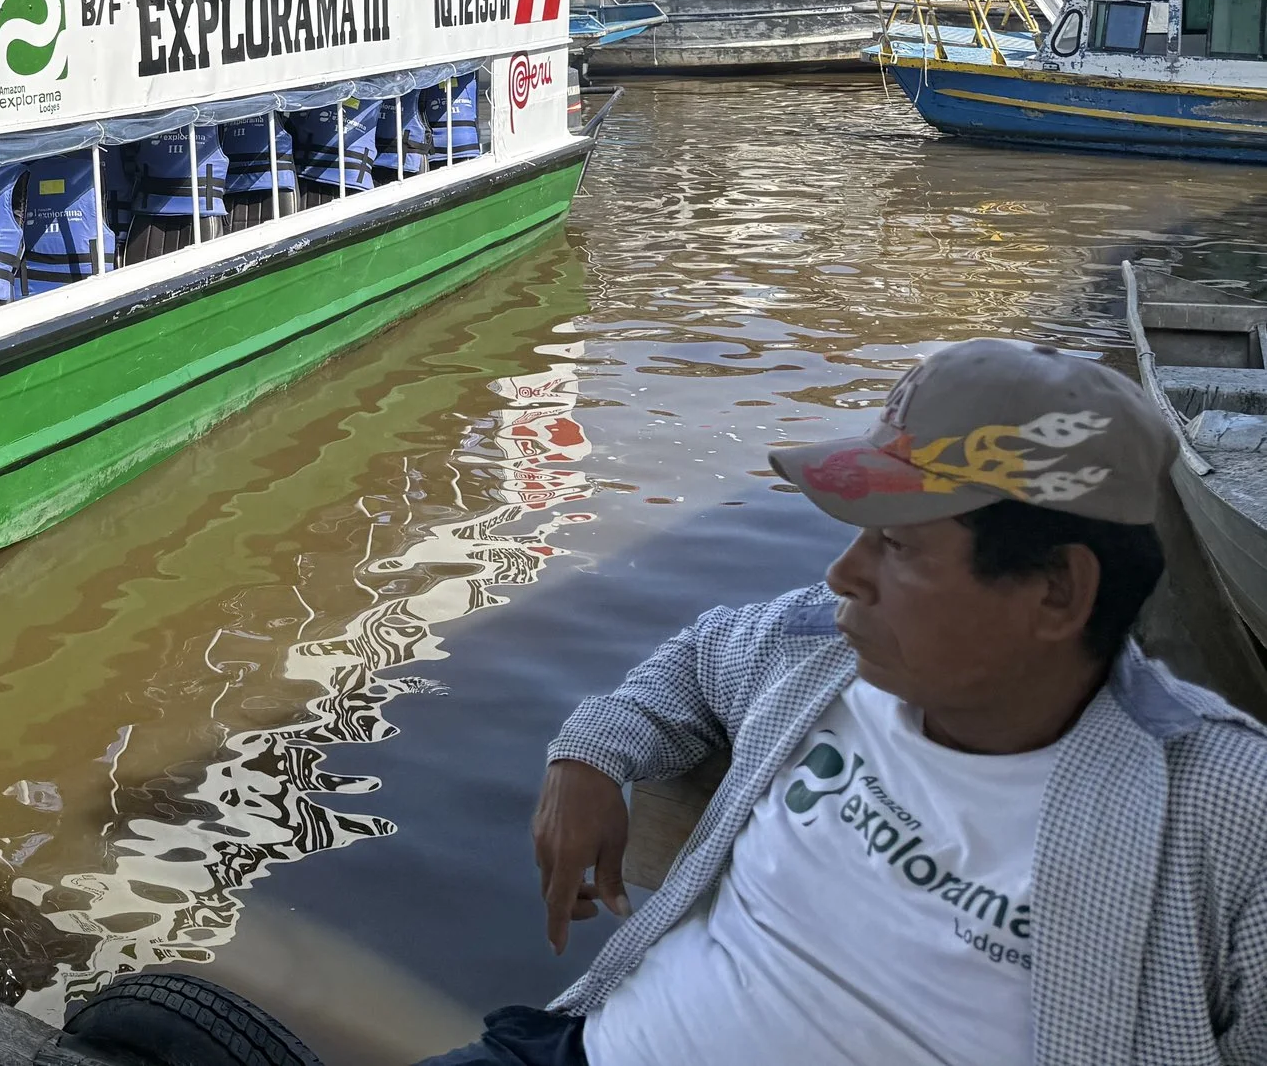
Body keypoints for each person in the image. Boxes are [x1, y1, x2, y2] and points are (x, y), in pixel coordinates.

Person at [426, 337, 1267, 1066]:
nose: (843, 573)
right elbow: (698, 657)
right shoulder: (824, 650)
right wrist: (588, 756)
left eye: (895, 543)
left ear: (1057, 590)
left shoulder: (1224, 812)